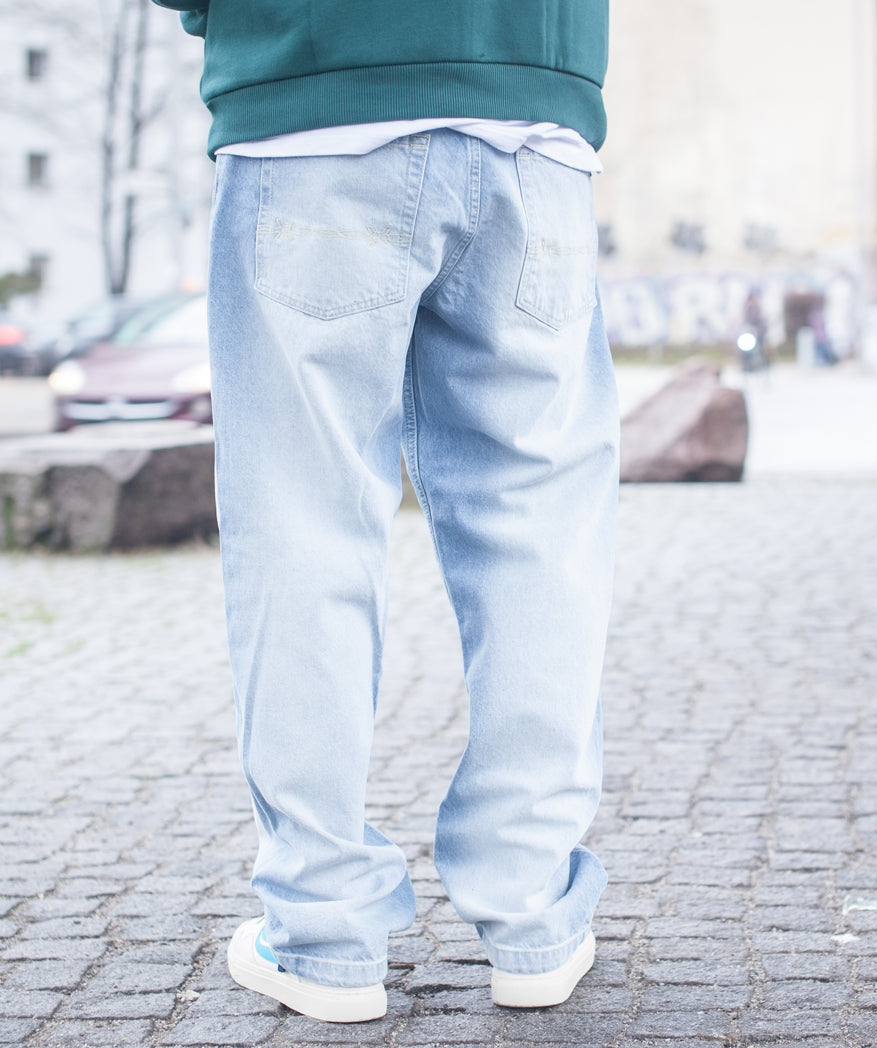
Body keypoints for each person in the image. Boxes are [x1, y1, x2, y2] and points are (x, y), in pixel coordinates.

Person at [154, 0, 618, 1025]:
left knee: (302, 525)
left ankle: (322, 930)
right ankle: (534, 908)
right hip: (531, 112)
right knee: (539, 531)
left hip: (313, 100)